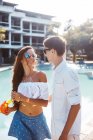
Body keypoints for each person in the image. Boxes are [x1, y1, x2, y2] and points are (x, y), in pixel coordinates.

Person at [4, 46, 51, 140]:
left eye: (33, 55)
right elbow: (18, 102)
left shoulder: (41, 75)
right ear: (21, 59)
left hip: (37, 120)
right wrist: (11, 109)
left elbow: (45, 103)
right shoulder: (17, 79)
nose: (32, 57)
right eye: (28, 55)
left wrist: (23, 98)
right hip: (21, 119)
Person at [43, 36, 81, 140]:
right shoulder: (57, 71)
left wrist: (64, 135)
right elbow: (56, 96)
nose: (44, 54)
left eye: (45, 50)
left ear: (53, 51)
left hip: (67, 135)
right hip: (57, 132)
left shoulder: (67, 72)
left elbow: (76, 105)